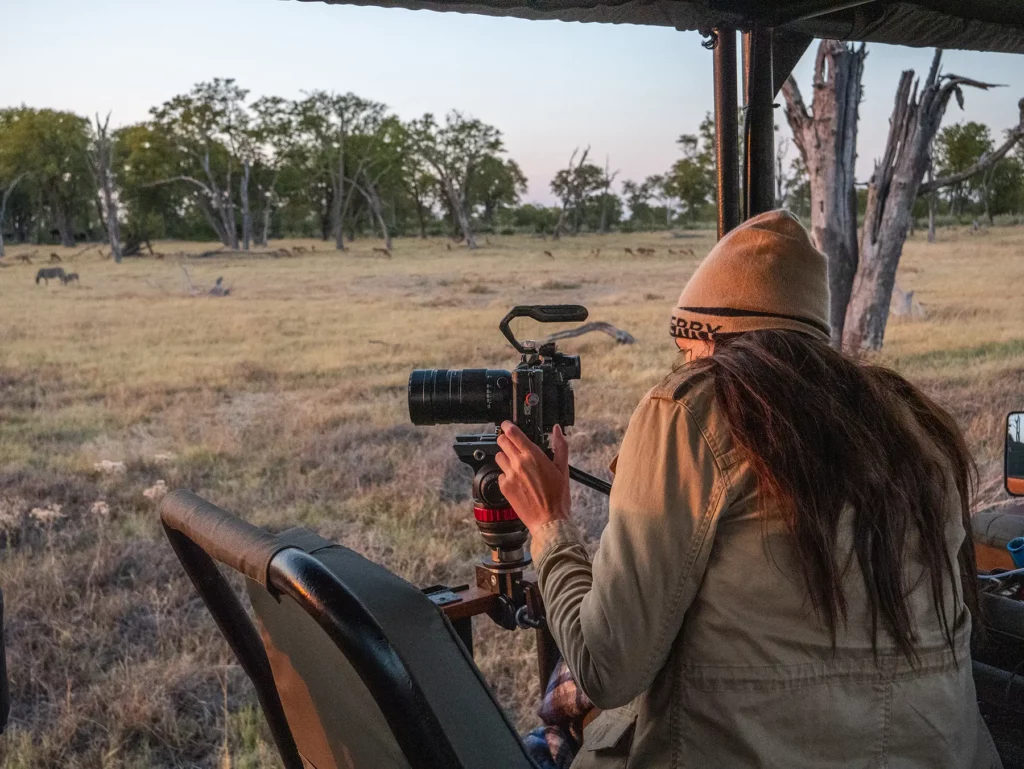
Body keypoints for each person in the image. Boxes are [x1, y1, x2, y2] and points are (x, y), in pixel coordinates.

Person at [495, 210, 1000, 769]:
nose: (685, 365)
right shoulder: (915, 425)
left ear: (706, 338)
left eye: (686, 352)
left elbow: (607, 670)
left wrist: (549, 523)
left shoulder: (695, 405)